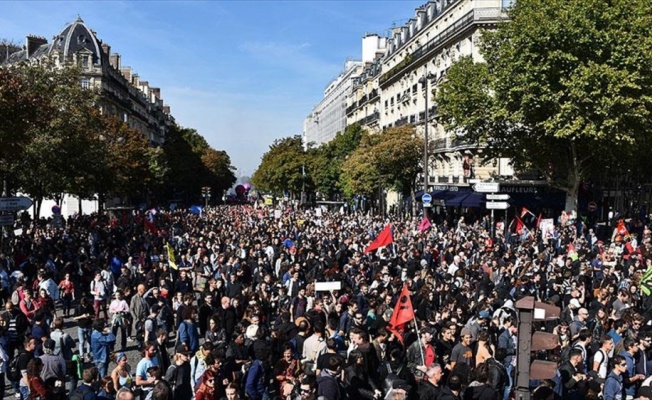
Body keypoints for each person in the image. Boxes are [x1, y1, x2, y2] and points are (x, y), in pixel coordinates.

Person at [74, 297, 95, 362]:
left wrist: (90, 316)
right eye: (83, 305)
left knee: (89, 341)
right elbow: (74, 318)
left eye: (85, 305)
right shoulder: (78, 307)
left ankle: (88, 354)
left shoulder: (90, 306)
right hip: (81, 326)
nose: (84, 306)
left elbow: (94, 315)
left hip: (89, 326)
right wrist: (82, 316)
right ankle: (81, 355)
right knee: (81, 342)